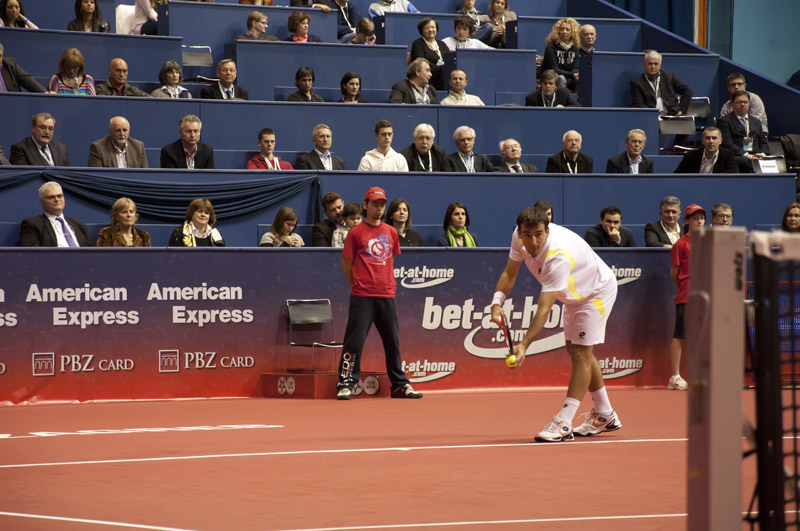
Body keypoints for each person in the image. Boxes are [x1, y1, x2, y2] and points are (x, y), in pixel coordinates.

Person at [490, 206, 621, 442]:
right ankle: (604, 414)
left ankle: (563, 422)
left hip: (595, 293)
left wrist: (524, 345)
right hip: (574, 294)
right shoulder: (518, 238)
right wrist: (496, 302)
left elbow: (543, 308)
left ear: (547, 231)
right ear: (519, 232)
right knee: (575, 349)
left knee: (581, 352)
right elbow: (510, 273)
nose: (533, 241)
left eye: (538, 234)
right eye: (527, 235)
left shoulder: (557, 256)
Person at [336, 186, 423, 400]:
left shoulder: (391, 232)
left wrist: (384, 282)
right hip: (362, 296)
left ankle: (399, 385)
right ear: (365, 205)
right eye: (374, 204)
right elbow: (347, 264)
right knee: (354, 342)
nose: (379, 208)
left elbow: (390, 261)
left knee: (392, 342)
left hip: (386, 295)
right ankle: (346, 383)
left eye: (382, 204)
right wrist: (359, 284)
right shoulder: (355, 233)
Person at [668, 203, 705, 391]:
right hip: (686, 295)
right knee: (680, 335)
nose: (699, 221)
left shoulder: (708, 242)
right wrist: (685, 285)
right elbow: (674, 271)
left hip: (705, 296)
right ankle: (674, 377)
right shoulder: (680, 244)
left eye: (701, 218)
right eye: (695, 218)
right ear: (688, 221)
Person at [19, 181, 90, 247]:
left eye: (59, 196)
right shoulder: (33, 225)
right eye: (51, 197)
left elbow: (91, 253)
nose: (57, 199)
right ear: (42, 201)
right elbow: (32, 254)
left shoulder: (79, 225)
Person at [717, 90, 769, 173]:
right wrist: (745, 154)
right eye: (739, 102)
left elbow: (763, 141)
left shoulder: (756, 121)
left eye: (745, 102)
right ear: (732, 104)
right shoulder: (724, 121)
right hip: (738, 155)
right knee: (748, 162)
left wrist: (763, 153)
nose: (742, 105)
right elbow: (727, 143)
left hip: (756, 155)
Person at [630, 50, 693, 116]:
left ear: (660, 65)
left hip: (671, 115)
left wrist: (681, 110)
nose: (653, 67)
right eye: (650, 64)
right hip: (651, 118)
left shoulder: (669, 76)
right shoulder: (637, 82)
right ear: (644, 65)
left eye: (656, 64)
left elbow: (688, 91)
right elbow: (639, 104)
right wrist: (653, 116)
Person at [673, 126, 738, 174]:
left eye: (714, 138)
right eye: (707, 138)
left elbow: (732, 175)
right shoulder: (691, 156)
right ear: (703, 141)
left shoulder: (728, 155)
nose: (711, 141)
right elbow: (678, 175)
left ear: (720, 141)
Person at [410, 17, 450, 90]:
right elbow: (419, 62)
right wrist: (439, 68)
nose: (430, 30)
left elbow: (449, 59)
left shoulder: (442, 44)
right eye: (427, 28)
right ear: (422, 30)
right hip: (427, 74)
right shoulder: (418, 43)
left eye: (433, 27)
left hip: (443, 74)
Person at [541, 18, 581, 92]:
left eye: (567, 29)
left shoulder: (576, 48)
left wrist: (575, 75)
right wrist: (572, 74)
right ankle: (561, 101)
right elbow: (554, 70)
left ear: (572, 32)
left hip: (569, 77)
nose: (564, 32)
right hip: (553, 77)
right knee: (562, 78)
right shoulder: (551, 47)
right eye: (562, 29)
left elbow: (575, 68)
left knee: (580, 79)